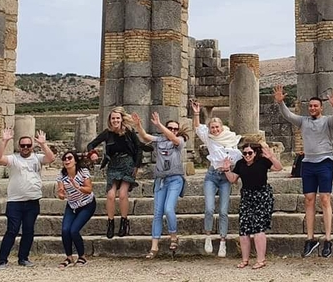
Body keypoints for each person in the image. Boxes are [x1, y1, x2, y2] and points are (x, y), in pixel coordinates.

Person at [274, 84, 333, 258]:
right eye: (310, 106)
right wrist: (281, 103)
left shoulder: (327, 121)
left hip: (325, 161)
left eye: (315, 106)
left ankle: (327, 239)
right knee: (309, 200)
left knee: (325, 199)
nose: (312, 108)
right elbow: (288, 115)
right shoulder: (303, 121)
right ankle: (310, 239)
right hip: (308, 163)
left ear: (321, 107)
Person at [0, 127, 56, 270]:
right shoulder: (14, 159)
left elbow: (51, 158)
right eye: (23, 145)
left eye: (28, 145)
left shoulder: (37, 158)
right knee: (12, 230)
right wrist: (4, 141)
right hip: (15, 201)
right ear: (19, 147)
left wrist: (43, 144)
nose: (26, 148)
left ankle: (23, 258)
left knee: (28, 230)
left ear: (32, 146)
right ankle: (2, 260)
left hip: (32, 201)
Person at [133, 111, 189, 258]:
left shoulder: (180, 141)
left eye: (175, 129)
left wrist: (159, 124)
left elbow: (174, 139)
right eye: (170, 128)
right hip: (160, 180)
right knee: (157, 213)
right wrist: (138, 125)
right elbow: (145, 136)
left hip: (175, 178)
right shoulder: (159, 140)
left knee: (169, 208)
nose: (172, 131)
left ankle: (173, 235)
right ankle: (154, 247)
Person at [87, 106, 147, 238]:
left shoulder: (129, 131)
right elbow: (91, 144)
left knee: (123, 194)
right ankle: (110, 223)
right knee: (110, 195)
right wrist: (92, 154)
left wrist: (136, 167)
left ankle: (124, 222)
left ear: (121, 119)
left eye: (117, 118)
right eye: (113, 118)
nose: (115, 120)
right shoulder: (107, 133)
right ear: (110, 120)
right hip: (113, 165)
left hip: (128, 164)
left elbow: (138, 148)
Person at [193, 101, 242, 257]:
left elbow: (236, 157)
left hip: (225, 177)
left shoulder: (231, 138)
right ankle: (208, 237)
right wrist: (196, 113)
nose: (214, 130)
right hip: (212, 175)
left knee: (223, 211)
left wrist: (230, 164)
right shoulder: (209, 138)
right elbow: (197, 128)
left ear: (221, 127)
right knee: (209, 208)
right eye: (212, 127)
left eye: (216, 127)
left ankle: (222, 241)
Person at [223, 141, 283, 269]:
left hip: (262, 196)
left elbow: (278, 168)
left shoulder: (262, 161)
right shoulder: (240, 163)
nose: (247, 155)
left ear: (255, 153)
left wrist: (271, 157)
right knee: (244, 229)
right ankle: (245, 260)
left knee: (258, 228)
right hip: (247, 197)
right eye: (245, 153)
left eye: (250, 153)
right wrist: (227, 169)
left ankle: (261, 259)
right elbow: (233, 179)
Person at [55, 150, 94, 268]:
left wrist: (78, 187)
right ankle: (69, 257)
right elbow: (61, 192)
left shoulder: (83, 172)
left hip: (87, 204)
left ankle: (82, 256)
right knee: (65, 230)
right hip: (72, 205)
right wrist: (61, 194)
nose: (66, 160)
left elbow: (89, 189)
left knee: (74, 230)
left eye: (69, 158)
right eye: (64, 159)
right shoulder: (62, 176)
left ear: (75, 161)